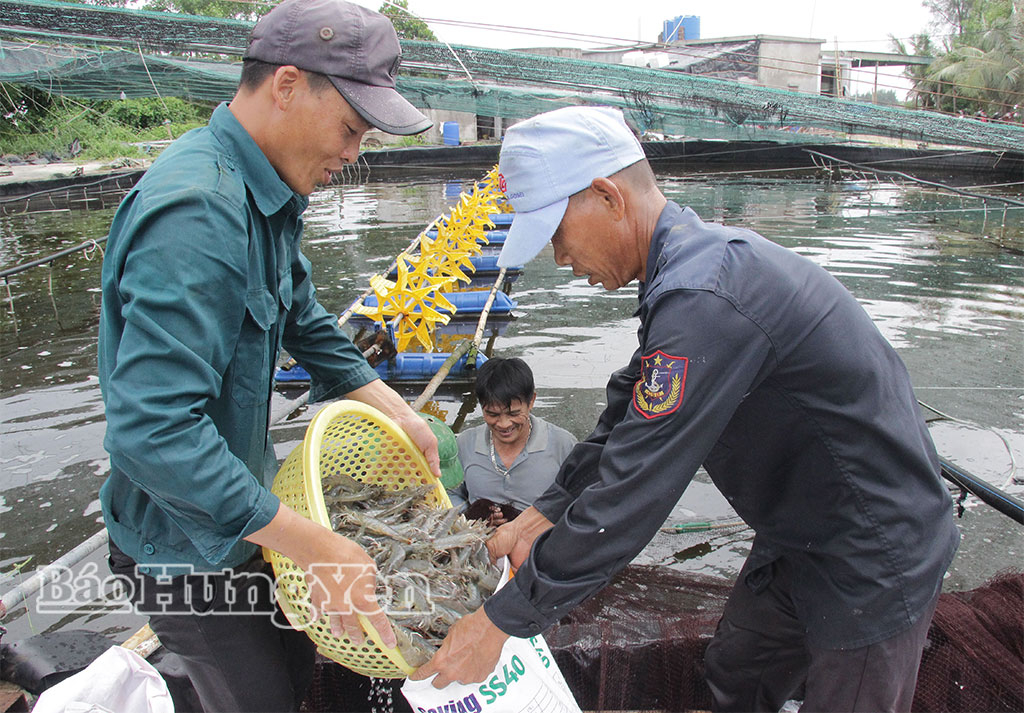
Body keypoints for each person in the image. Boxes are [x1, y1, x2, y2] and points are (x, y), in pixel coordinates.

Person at [411, 106, 959, 713]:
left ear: (607, 196)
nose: (561, 259)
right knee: (737, 675)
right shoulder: (683, 275)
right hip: (797, 532)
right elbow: (624, 420)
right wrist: (537, 518)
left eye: (557, 235)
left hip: (873, 547)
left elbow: (636, 486)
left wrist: (504, 620)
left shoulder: (706, 296)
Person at [98, 1, 437, 710]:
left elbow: (300, 314)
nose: (353, 153)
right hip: (183, 550)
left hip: (248, 521)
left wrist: (393, 408)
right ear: (286, 85)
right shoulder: (199, 211)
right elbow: (151, 430)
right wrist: (316, 544)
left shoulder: (267, 191)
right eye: (351, 128)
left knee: (295, 675)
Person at [453, 357, 576, 526]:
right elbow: (449, 494)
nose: (504, 425)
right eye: (493, 414)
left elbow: (581, 503)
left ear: (531, 401)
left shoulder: (563, 445)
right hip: (478, 540)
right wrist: (468, 517)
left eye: (513, 414)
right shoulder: (464, 444)